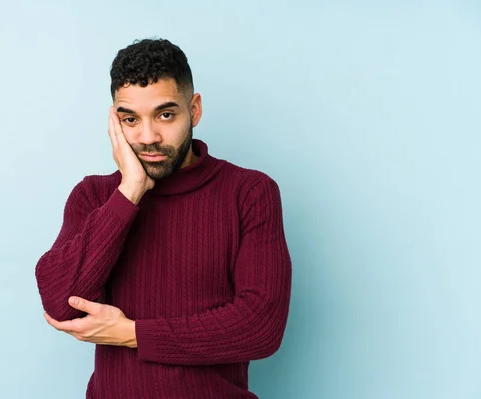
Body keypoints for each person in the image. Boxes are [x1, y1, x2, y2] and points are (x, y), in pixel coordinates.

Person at [35, 38, 292, 399]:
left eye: (165, 114)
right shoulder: (94, 196)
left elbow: (260, 326)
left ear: (195, 110)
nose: (148, 137)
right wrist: (130, 191)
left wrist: (133, 334)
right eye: (130, 119)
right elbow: (62, 304)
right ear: (114, 120)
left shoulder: (249, 192)